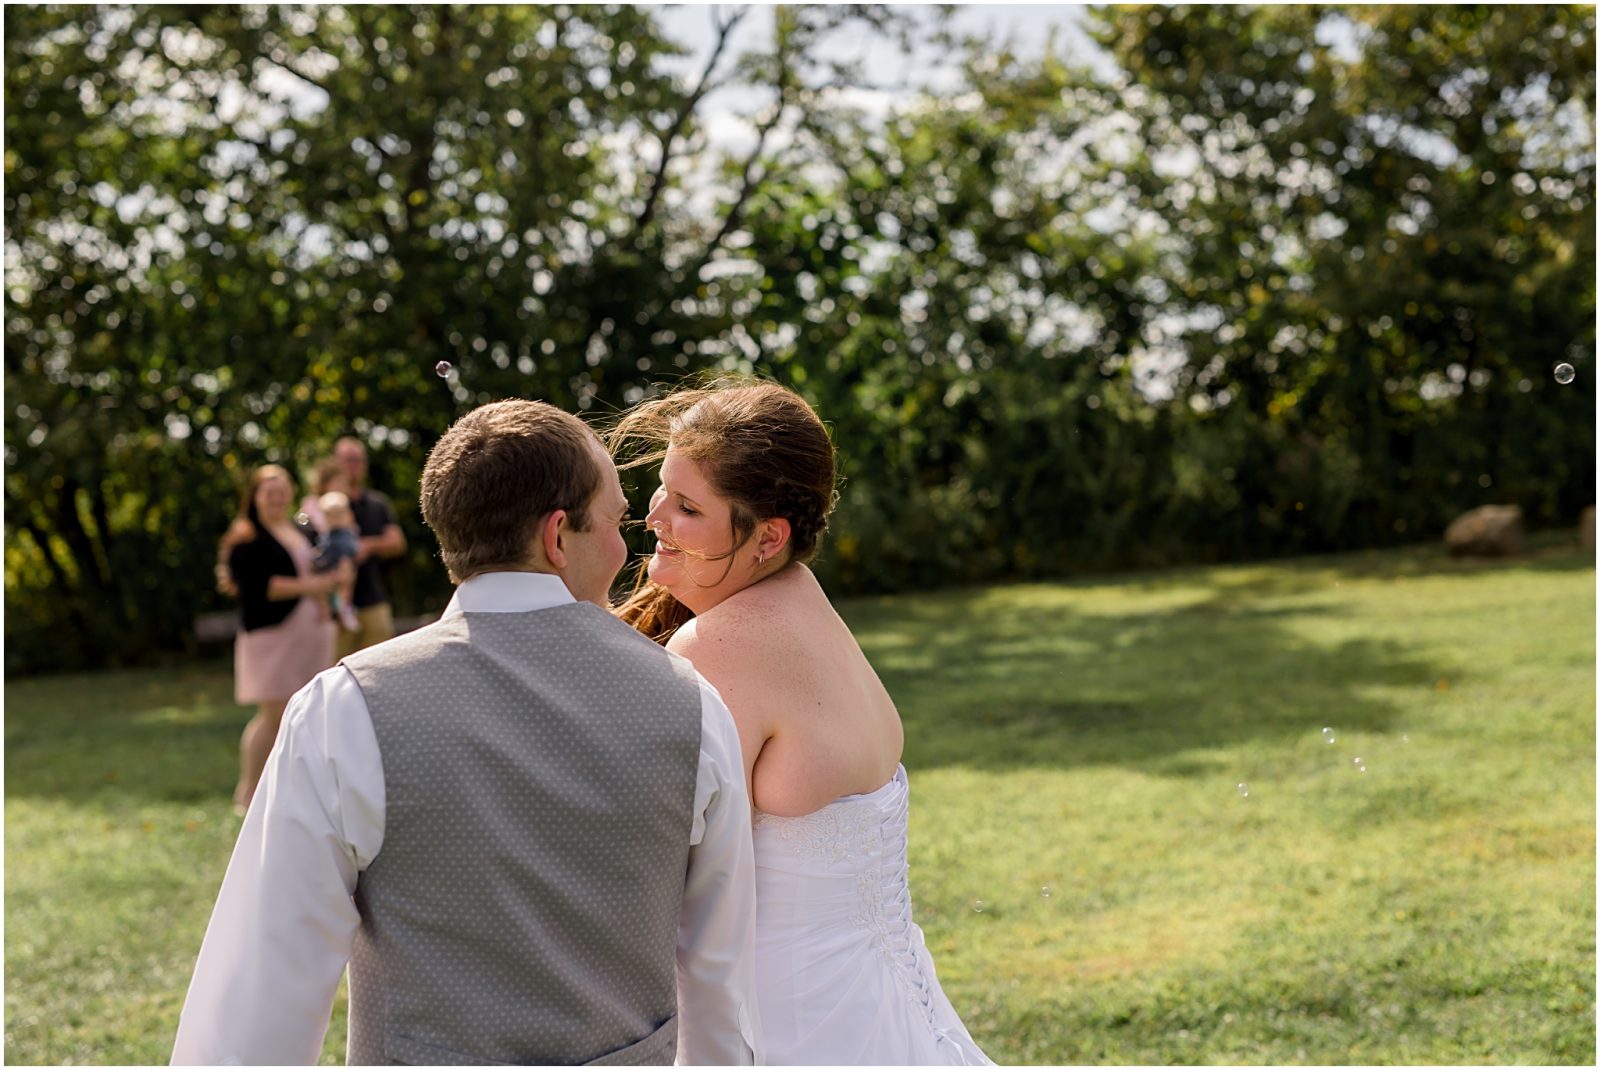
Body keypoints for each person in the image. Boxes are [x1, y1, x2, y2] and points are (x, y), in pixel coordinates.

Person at [172, 400, 763, 1065]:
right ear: (557, 535)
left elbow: (263, 993)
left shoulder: (346, 711)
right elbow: (719, 982)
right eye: (616, 519)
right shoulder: (692, 706)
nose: (625, 544)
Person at [612, 378, 993, 1066]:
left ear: (767, 537)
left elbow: (650, 876)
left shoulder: (717, 645)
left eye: (689, 507)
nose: (655, 517)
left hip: (795, 1025)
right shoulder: (805, 600)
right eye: (663, 489)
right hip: (879, 1008)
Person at [221, 464, 346, 812]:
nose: (276, 498)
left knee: (307, 714)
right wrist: (314, 588)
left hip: (311, 635)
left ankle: (294, 792)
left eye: (282, 490)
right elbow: (261, 588)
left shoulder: (302, 529)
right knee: (275, 715)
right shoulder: (246, 539)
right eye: (268, 492)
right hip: (271, 639)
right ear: (255, 497)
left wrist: (324, 602)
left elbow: (318, 569)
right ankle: (247, 794)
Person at [331, 435, 406, 656]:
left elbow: (398, 542)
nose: (354, 466)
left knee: (381, 666)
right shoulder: (325, 504)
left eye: (358, 460)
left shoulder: (377, 503)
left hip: (374, 599)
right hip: (335, 607)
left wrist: (367, 546)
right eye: (348, 460)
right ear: (336, 463)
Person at [312, 490, 362, 632]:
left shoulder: (345, 535)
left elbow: (346, 556)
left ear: (348, 515)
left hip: (339, 566)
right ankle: (329, 609)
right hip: (329, 568)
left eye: (338, 514)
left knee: (344, 588)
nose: (335, 519)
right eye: (330, 515)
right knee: (324, 590)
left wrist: (343, 569)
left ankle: (345, 611)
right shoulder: (327, 535)